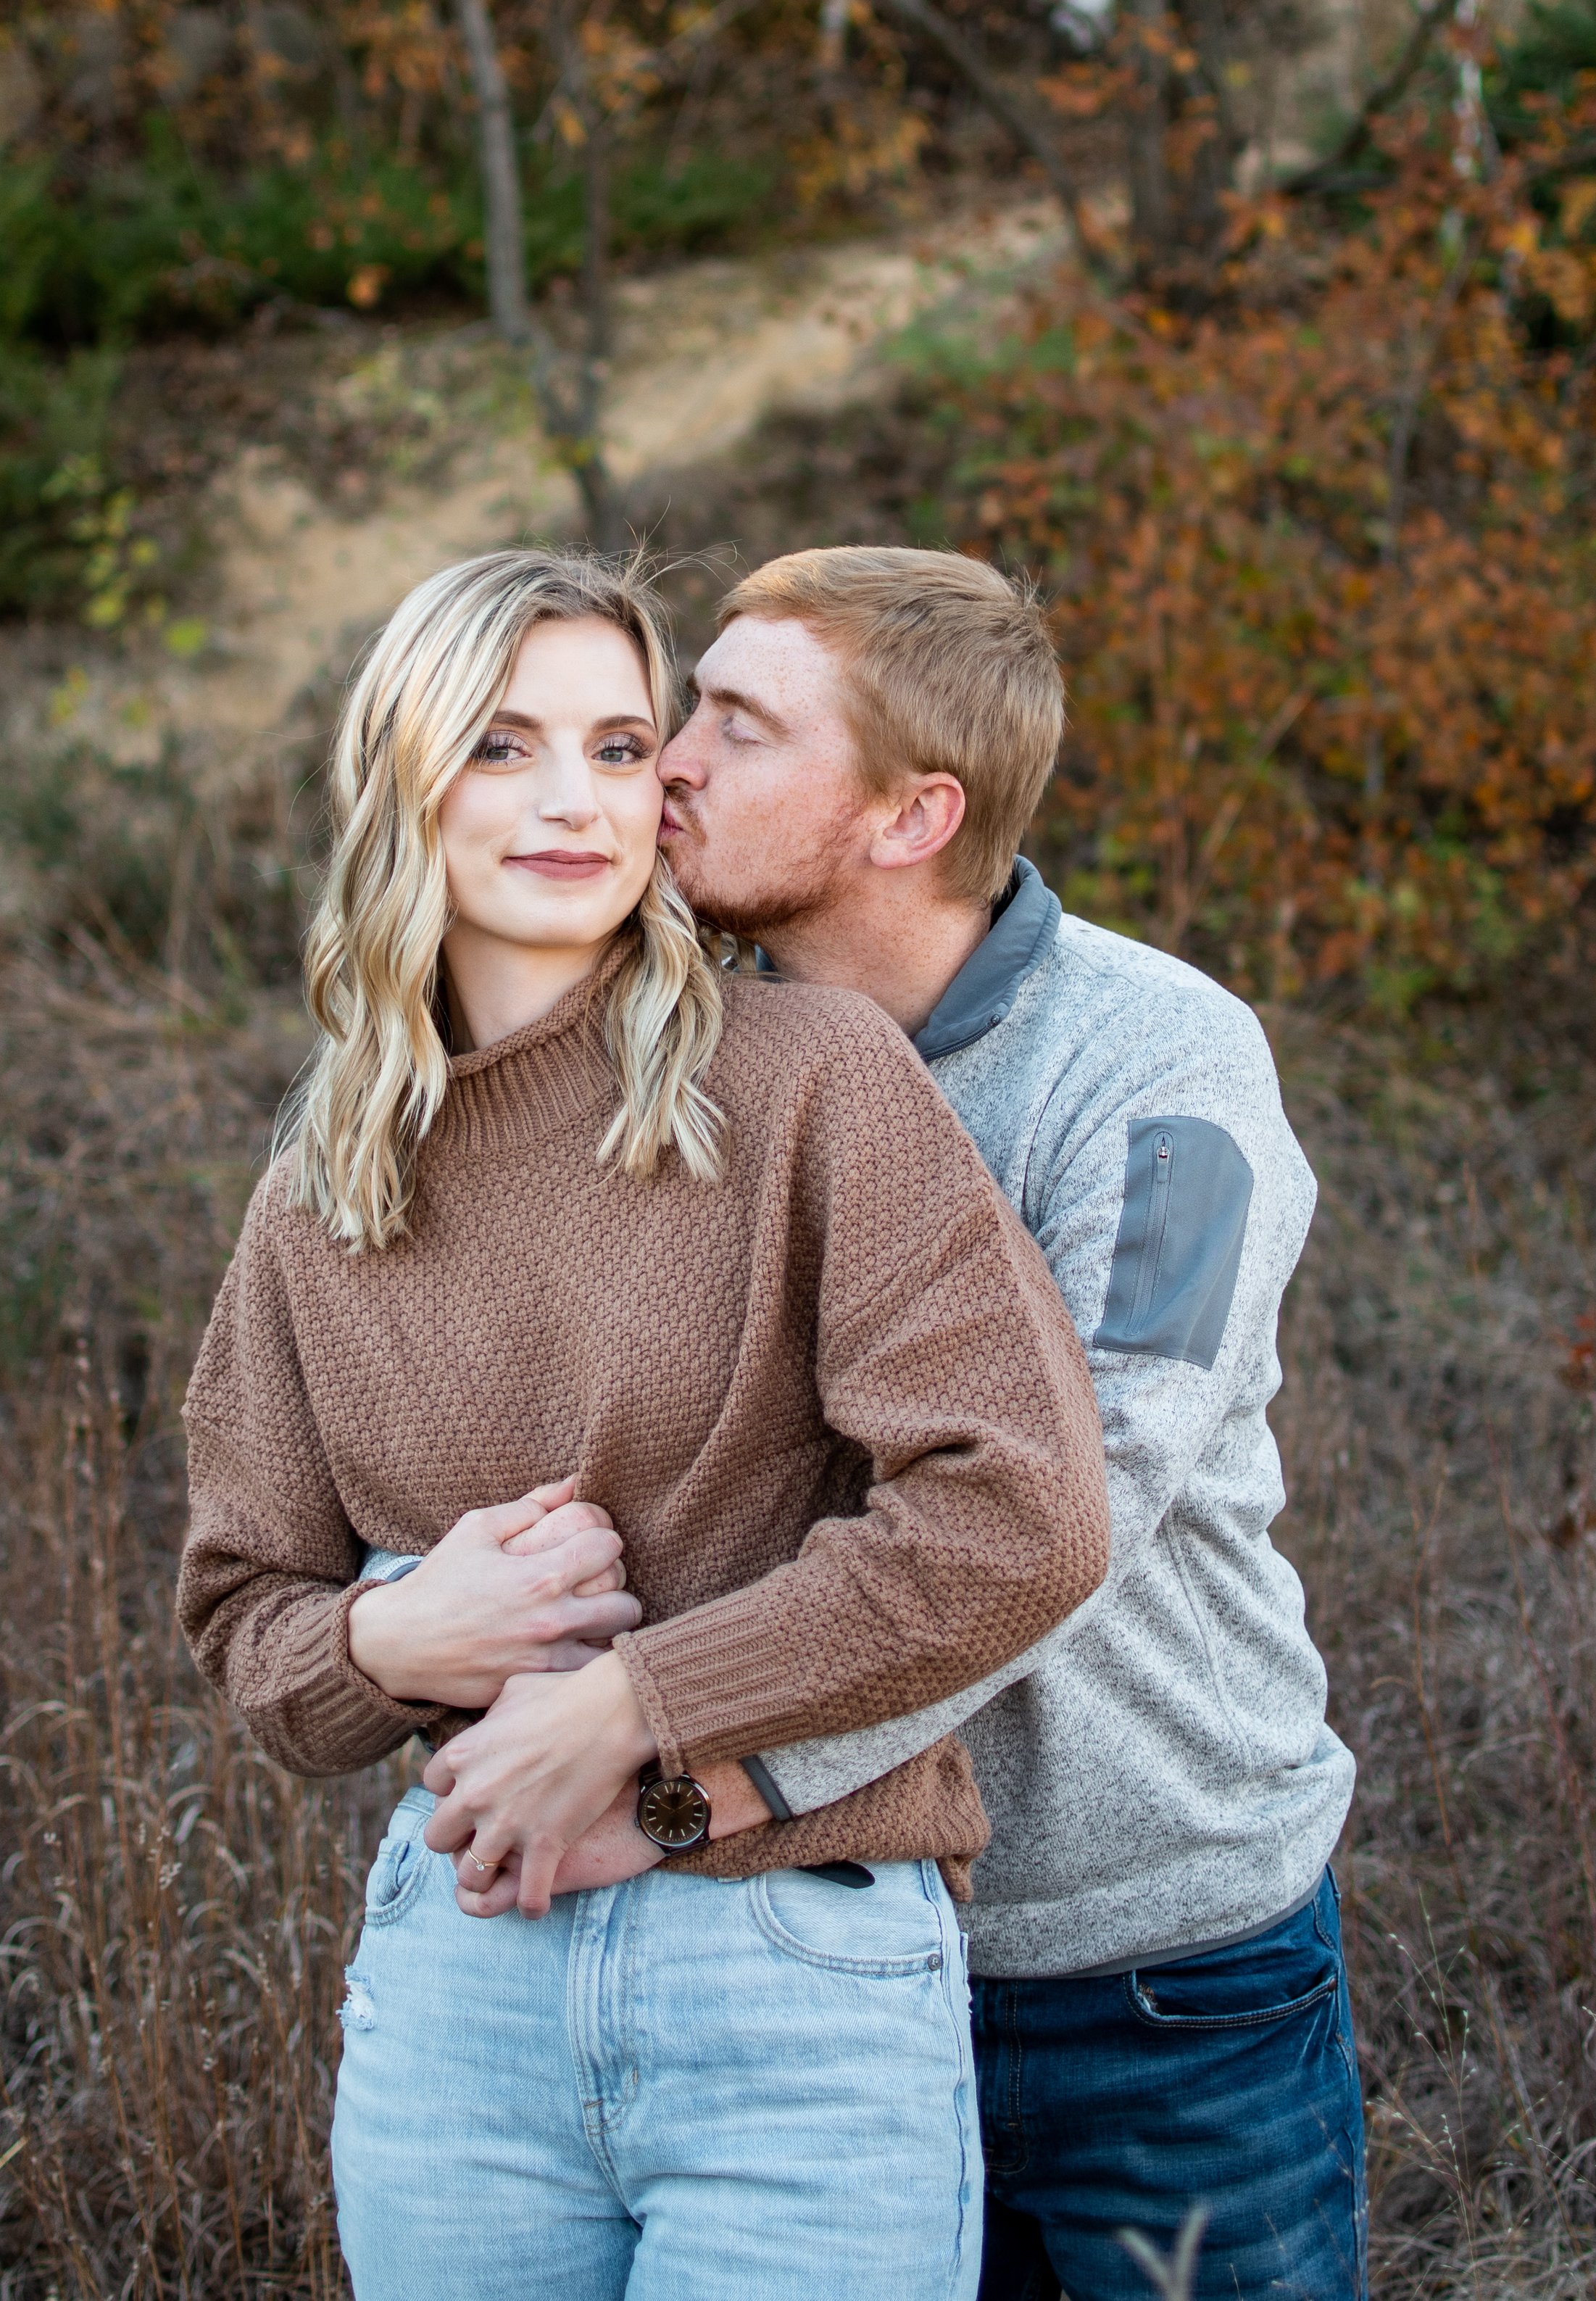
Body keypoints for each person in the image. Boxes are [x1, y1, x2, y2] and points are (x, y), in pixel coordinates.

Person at [175, 549, 1110, 2301]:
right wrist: (394, 1634)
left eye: (620, 748)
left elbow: (1019, 1516)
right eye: (506, 746)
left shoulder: (809, 1079)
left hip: (790, 1977)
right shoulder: (321, 1183)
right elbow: (245, 1618)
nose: (578, 799)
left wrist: (633, 1705)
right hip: (463, 1982)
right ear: (402, 776)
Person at [518, 547, 1367, 2301]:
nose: (669, 760)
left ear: (910, 817)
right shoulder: (687, 1057)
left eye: (736, 728)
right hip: (814, 1970)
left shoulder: (1165, 1078)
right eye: (689, 710)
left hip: (1155, 1987)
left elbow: (1086, 1501)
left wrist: (707, 1791)